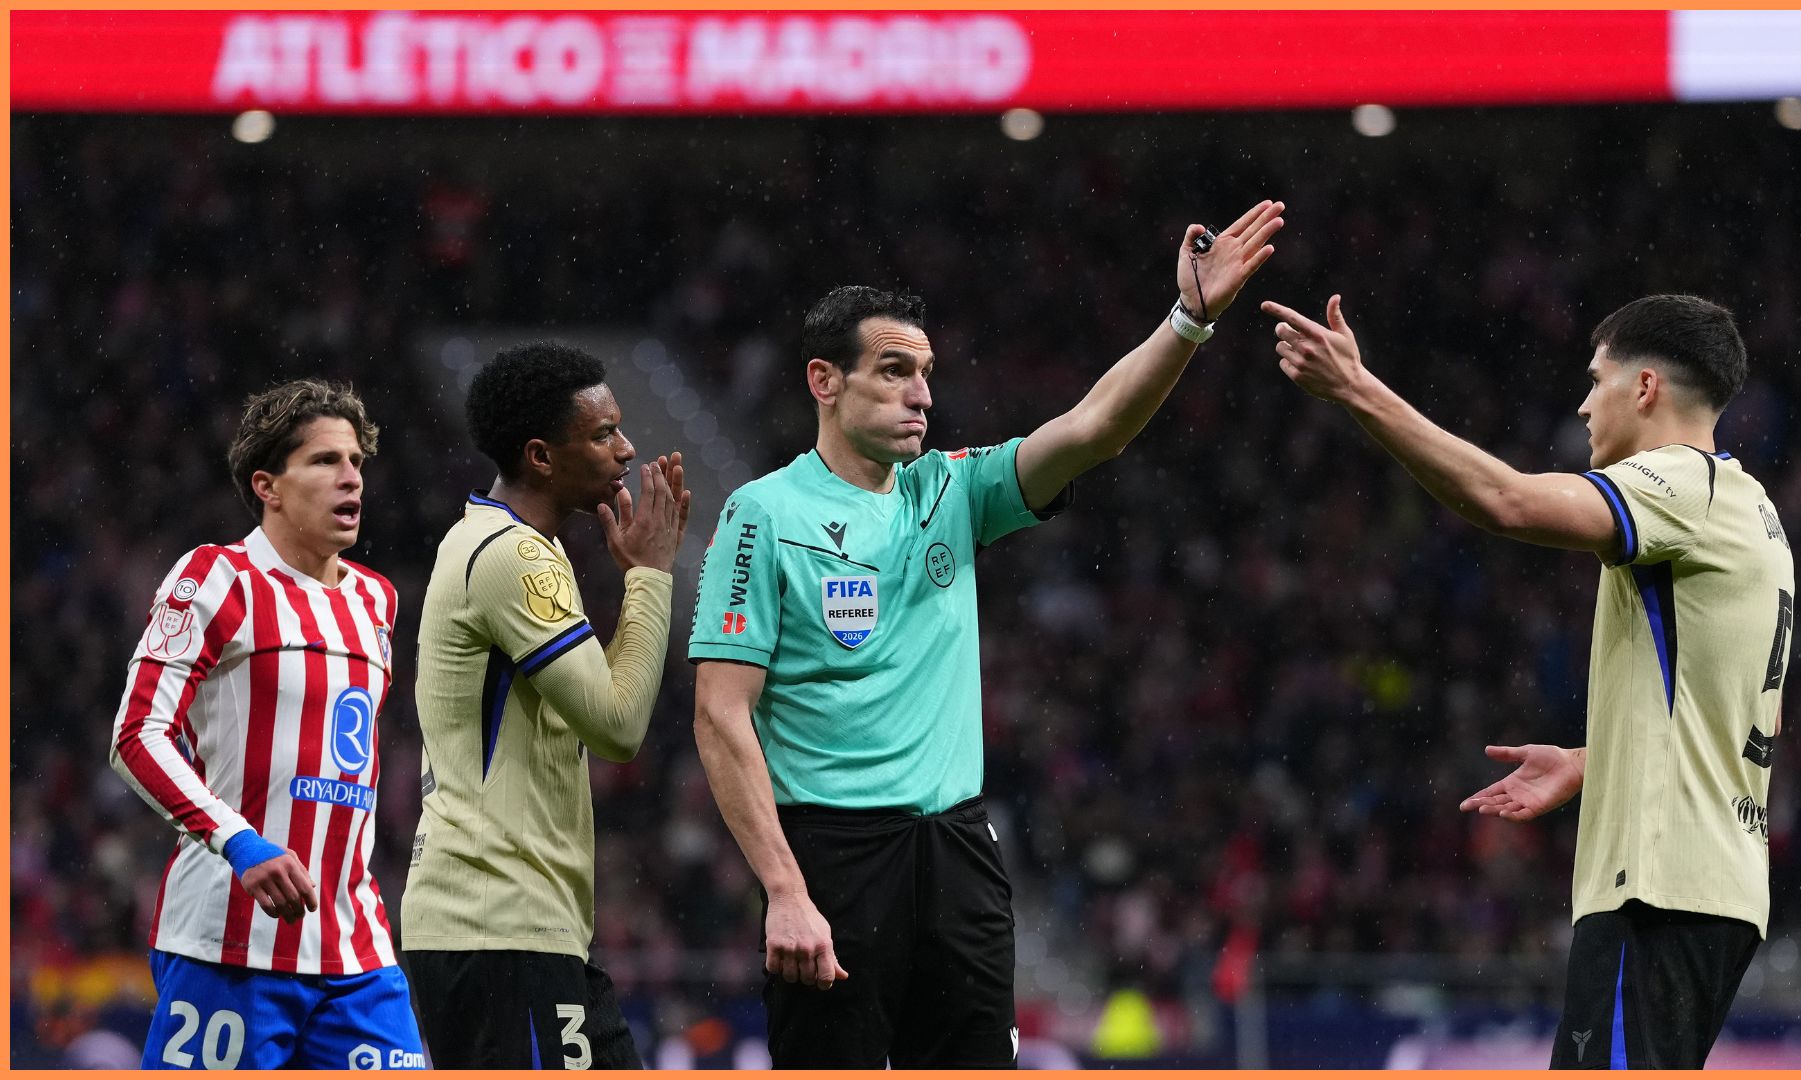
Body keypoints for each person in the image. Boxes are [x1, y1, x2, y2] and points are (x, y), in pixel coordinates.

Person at [689, 198, 1287, 1067]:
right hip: (835, 856)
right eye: (893, 370)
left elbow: (1092, 430)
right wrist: (784, 888)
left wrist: (1187, 321)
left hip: (959, 849)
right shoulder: (762, 514)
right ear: (824, 380)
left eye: (926, 372)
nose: (922, 394)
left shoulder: (952, 490)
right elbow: (720, 714)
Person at [1260, 292, 1792, 1068]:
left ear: (1645, 388)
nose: (1583, 405)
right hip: (1714, 886)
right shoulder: (1753, 509)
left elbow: (1504, 500)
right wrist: (1592, 761)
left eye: (1596, 379)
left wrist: (1355, 388)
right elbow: (1713, 708)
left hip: (1656, 890)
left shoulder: (1677, 485)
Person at [109, 379, 425, 1070]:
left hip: (356, 953)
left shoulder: (378, 600)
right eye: (325, 461)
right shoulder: (217, 577)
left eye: (357, 463)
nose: (352, 479)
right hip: (227, 946)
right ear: (268, 486)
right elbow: (137, 734)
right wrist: (240, 842)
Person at [402, 341, 689, 1068]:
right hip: (499, 927)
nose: (626, 450)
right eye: (601, 434)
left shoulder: (509, 545)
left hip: (518, 929)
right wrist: (651, 577)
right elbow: (620, 727)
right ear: (540, 456)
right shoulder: (513, 558)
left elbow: (603, 712)